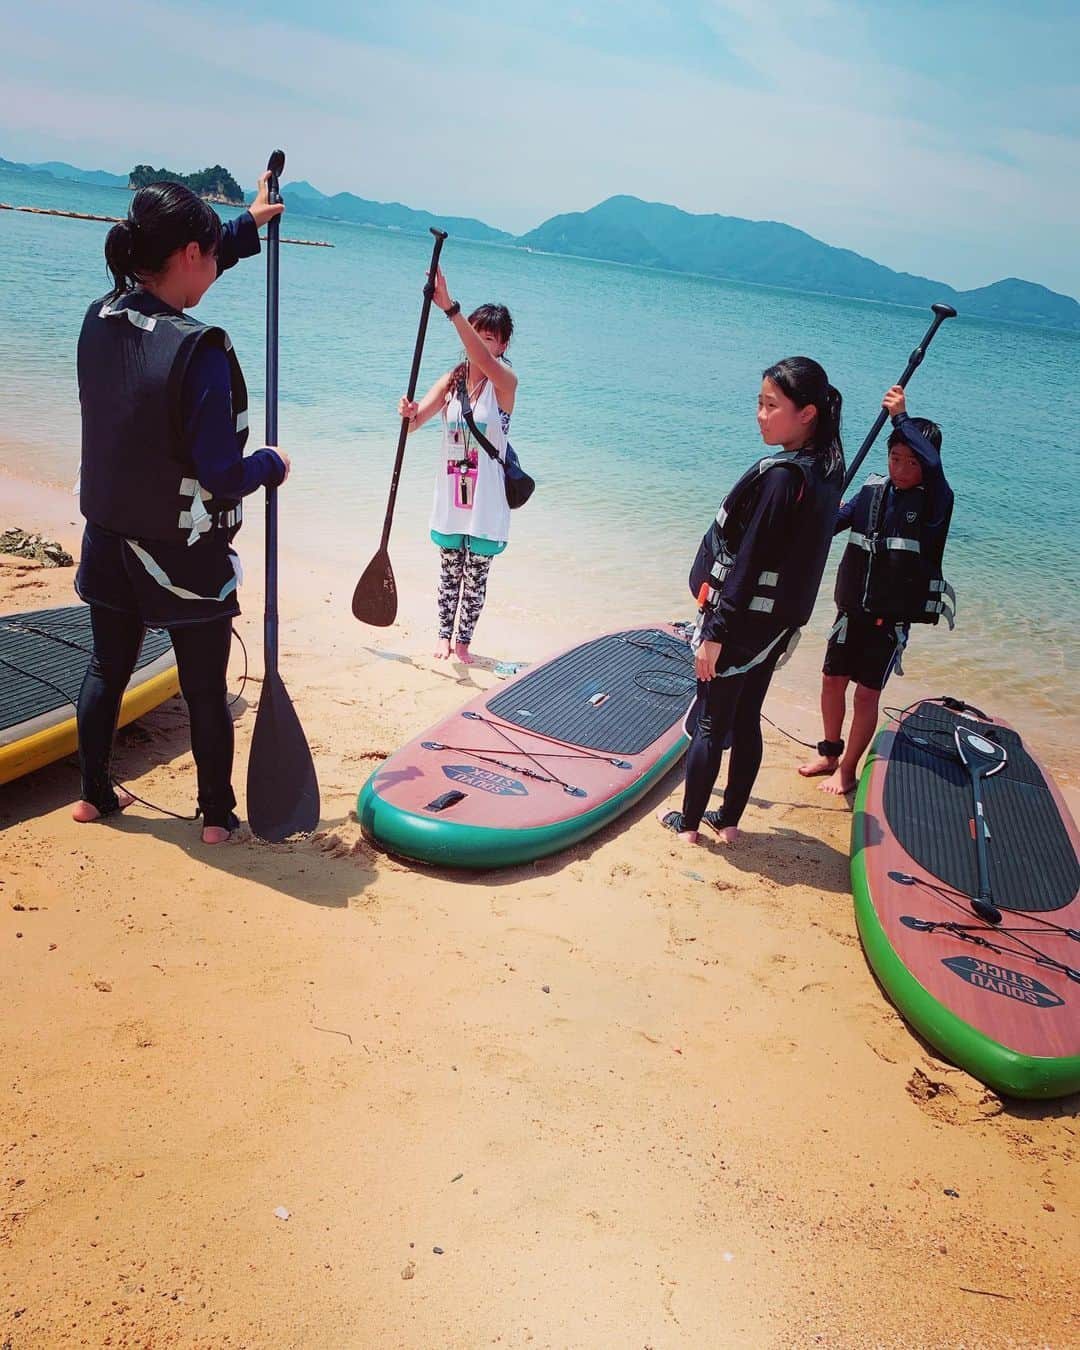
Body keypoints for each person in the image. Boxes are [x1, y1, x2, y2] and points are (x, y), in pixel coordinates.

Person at [72, 172, 290, 844]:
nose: (215, 270)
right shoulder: (200, 352)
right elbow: (222, 478)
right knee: (203, 688)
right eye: (209, 257)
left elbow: (199, 251)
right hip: (181, 556)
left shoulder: (102, 313)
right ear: (188, 255)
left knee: (108, 668)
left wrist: (247, 224)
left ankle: (92, 796)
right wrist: (272, 466)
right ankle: (218, 818)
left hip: (108, 540)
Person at [658, 357, 845, 845]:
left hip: (737, 626)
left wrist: (715, 634)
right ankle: (731, 819)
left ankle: (690, 825)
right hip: (773, 629)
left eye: (771, 405)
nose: (760, 415)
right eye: (758, 404)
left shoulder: (785, 478)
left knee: (710, 722)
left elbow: (749, 563)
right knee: (747, 718)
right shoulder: (825, 472)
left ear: (806, 414)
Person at [799, 386, 954, 795]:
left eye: (910, 461)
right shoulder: (871, 492)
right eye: (894, 458)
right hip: (851, 611)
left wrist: (901, 417)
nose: (900, 468)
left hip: (889, 620)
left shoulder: (935, 504)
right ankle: (830, 752)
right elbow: (831, 523)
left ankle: (848, 769)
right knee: (832, 681)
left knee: (866, 696)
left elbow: (935, 466)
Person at [398, 267, 517, 664]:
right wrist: (408, 413)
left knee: (476, 575)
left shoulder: (505, 384)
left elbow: (479, 356)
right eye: (476, 335)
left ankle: (464, 643)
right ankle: (443, 637)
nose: (479, 347)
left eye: (487, 339)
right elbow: (415, 424)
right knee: (450, 571)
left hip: (485, 499)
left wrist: (450, 309)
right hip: (453, 494)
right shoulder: (452, 380)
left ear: (501, 346)